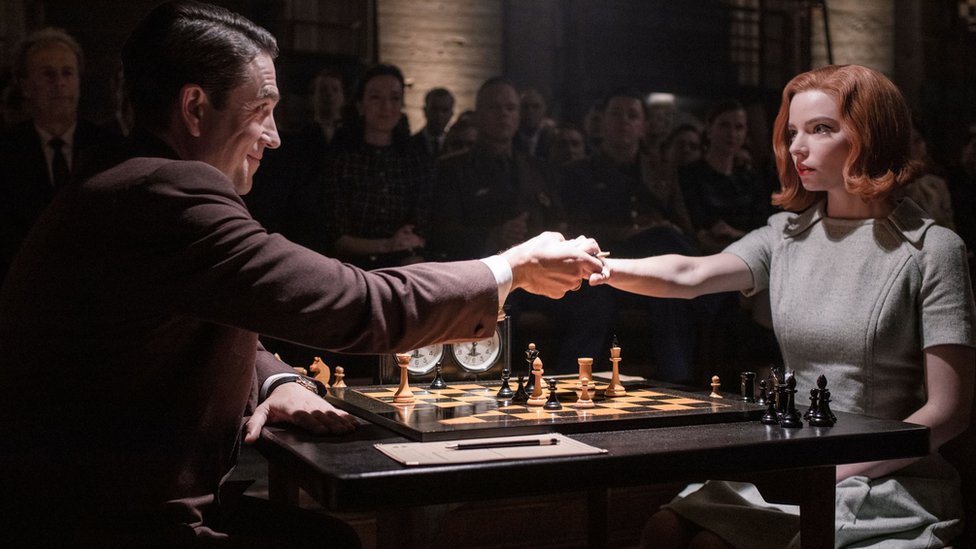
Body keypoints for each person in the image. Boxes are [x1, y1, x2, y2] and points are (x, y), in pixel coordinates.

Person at [0, 2, 605, 546]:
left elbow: (204, 312)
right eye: (261, 110)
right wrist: (510, 268)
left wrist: (272, 381)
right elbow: (358, 304)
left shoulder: (123, 175)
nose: (274, 137)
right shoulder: (169, 193)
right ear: (195, 107)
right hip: (105, 525)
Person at [588, 64, 975, 549]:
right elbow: (690, 274)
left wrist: (834, 469)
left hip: (887, 474)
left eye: (821, 129)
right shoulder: (786, 234)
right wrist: (597, 266)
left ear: (872, 136)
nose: (797, 147)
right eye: (793, 132)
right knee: (664, 531)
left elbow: (949, 412)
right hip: (795, 458)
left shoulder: (932, 250)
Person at [0, 27, 121, 283]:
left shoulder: (109, 147)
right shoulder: (6, 150)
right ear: (25, 86)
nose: (60, 83)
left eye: (67, 73)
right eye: (48, 74)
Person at [325, 63, 430, 270]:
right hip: (348, 267)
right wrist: (386, 245)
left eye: (394, 98)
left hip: (403, 263)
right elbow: (335, 235)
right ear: (360, 105)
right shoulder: (341, 159)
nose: (386, 106)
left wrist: (406, 242)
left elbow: (421, 225)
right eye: (376, 97)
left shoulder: (414, 159)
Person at [678, 99, 773, 255]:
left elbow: (763, 226)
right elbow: (695, 225)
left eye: (739, 127)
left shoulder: (750, 179)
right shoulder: (689, 175)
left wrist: (736, 234)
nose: (732, 134)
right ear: (709, 129)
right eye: (724, 125)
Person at [408, 86, 454, 160]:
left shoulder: (454, 145)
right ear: (425, 111)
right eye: (434, 109)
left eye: (445, 110)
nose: (439, 115)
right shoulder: (408, 145)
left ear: (451, 114)